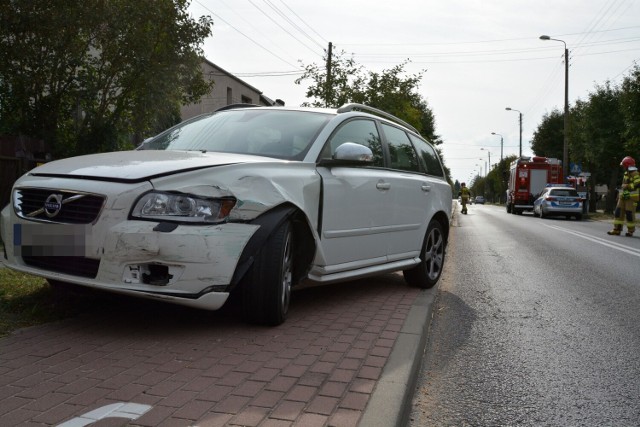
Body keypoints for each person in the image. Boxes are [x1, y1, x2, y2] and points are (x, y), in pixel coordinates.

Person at [608, 156, 640, 236]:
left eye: (623, 165)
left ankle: (630, 231)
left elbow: (637, 184)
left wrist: (628, 186)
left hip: (631, 198)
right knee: (618, 213)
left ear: (627, 165)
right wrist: (619, 195)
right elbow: (623, 185)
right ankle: (616, 229)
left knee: (629, 214)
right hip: (623, 197)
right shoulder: (626, 173)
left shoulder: (635, 173)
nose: (622, 167)